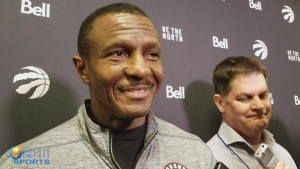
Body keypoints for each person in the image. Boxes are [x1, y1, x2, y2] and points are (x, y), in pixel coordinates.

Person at [0, 2, 217, 169]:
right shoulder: (24, 161)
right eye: (118, 53)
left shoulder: (196, 151)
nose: (141, 70)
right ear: (83, 69)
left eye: (152, 54)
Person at [207, 56, 297, 169]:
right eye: (245, 98)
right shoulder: (207, 160)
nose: (259, 106)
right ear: (220, 103)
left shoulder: (282, 153)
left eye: (262, 95)